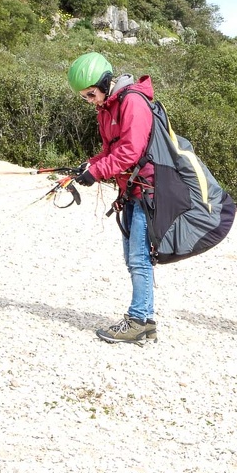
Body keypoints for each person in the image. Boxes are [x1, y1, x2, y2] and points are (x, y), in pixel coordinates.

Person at [67, 52, 157, 345]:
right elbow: (110, 153)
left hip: (147, 189)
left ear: (105, 83)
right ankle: (146, 321)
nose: (90, 101)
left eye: (91, 94)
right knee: (133, 260)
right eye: (85, 98)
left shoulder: (132, 102)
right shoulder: (107, 107)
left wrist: (98, 172)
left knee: (139, 259)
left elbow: (131, 151)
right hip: (129, 189)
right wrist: (88, 167)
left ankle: (138, 321)